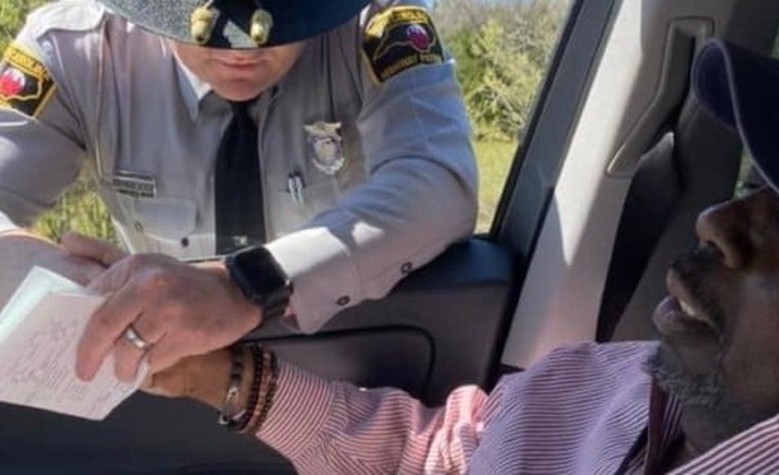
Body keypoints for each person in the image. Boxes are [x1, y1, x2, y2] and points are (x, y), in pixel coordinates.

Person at [136, 39, 779, 473]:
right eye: (751, 185)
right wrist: (227, 378)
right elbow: (437, 452)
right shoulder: (609, 378)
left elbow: (434, 182)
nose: (716, 221)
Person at [0, 0, 477, 383]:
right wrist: (87, 291)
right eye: (210, 20)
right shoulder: (76, 51)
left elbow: (437, 179)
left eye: (282, 12)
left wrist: (246, 285)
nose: (244, 49)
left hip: (347, 381)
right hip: (165, 378)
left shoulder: (376, 25)